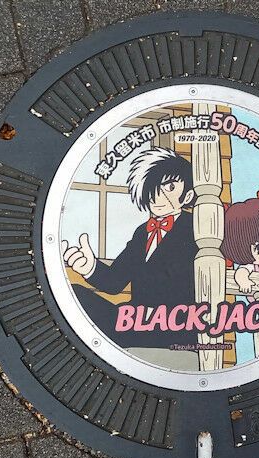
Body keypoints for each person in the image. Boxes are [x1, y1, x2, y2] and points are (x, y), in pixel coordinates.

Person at [62, 147, 199, 369]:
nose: (158, 196)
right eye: (153, 188)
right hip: (135, 321)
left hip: (175, 327)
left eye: (170, 188)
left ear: (188, 196)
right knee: (73, 294)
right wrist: (89, 267)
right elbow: (115, 282)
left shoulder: (195, 228)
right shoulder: (142, 232)